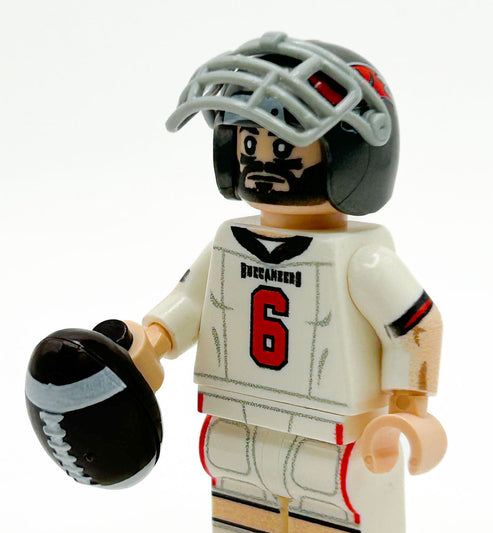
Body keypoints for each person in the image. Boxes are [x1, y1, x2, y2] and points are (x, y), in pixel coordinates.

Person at [129, 32, 446, 533]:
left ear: (347, 156)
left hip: (332, 436)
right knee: (239, 517)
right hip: (235, 424)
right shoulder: (228, 245)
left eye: (283, 145)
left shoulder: (361, 261)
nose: (259, 160)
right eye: (248, 142)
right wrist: (151, 341)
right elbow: (191, 304)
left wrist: (410, 407)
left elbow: (415, 326)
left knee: (329, 514)